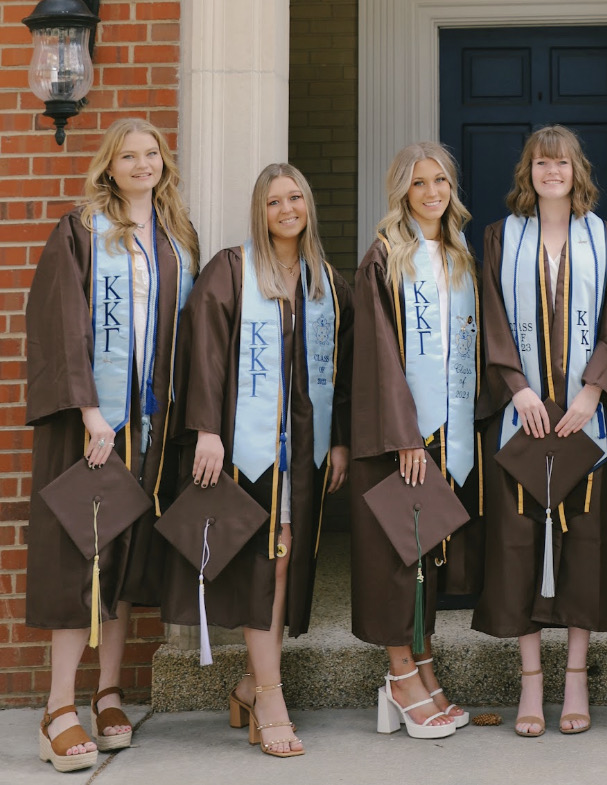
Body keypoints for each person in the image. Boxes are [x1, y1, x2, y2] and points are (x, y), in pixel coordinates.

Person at [161, 163, 353, 757]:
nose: (287, 209)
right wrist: (208, 433)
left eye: (296, 197)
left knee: (285, 560)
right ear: (259, 211)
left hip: (302, 447)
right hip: (246, 449)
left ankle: (251, 684)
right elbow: (206, 354)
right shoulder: (232, 269)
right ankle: (269, 696)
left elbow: (344, 371)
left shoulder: (326, 280)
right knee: (263, 564)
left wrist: (340, 438)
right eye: (275, 201)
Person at [25, 117, 199, 771]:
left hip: (150, 430)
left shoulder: (176, 237)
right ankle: (57, 707)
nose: (142, 163)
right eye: (129, 155)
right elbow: (60, 321)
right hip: (91, 429)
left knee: (124, 556)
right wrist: (92, 410)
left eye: (152, 153)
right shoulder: (79, 231)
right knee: (82, 559)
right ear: (108, 164)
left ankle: (107, 692)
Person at [473, 125, 607, 737]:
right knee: (520, 542)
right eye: (542, 163)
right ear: (529, 170)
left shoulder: (606, 238)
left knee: (584, 542)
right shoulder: (500, 238)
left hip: (583, 418)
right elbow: (491, 318)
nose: (553, 173)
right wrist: (517, 389)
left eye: (563, 163)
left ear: (578, 172)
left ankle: (575, 677)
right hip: (522, 416)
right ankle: (529, 684)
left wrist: (593, 390)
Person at [349, 142, 479, 739]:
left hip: (447, 433)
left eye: (442, 182)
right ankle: (400, 676)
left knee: (426, 557)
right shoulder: (384, 258)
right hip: (400, 440)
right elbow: (376, 352)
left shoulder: (458, 256)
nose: (432, 192)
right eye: (420, 182)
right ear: (401, 190)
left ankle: (422, 664)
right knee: (399, 557)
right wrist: (405, 433)